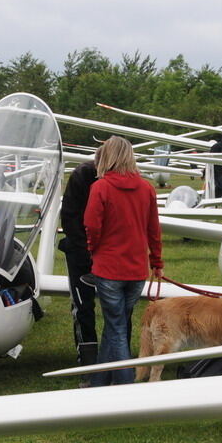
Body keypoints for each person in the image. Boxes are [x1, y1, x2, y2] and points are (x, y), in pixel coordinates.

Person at [84, 136, 163, 386]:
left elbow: (91, 226)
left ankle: (125, 386)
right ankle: (99, 382)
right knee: (115, 325)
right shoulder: (147, 188)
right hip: (136, 270)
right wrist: (157, 261)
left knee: (116, 328)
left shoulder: (100, 188)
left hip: (109, 269)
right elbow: (154, 230)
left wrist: (92, 249)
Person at [57, 159, 99, 378]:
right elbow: (70, 218)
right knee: (83, 305)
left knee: (117, 308)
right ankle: (88, 363)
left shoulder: (123, 179)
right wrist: (87, 252)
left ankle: (116, 362)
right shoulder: (83, 176)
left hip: (111, 255)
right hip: (81, 252)